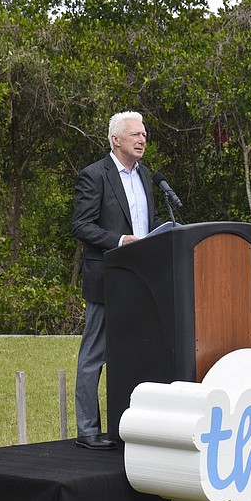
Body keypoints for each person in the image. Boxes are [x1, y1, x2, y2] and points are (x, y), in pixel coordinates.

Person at [70, 111, 162, 450]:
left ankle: (132, 426)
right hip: (107, 278)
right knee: (94, 355)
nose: (142, 140)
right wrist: (121, 241)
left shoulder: (146, 176)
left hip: (141, 280)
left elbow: (148, 224)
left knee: (139, 353)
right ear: (115, 139)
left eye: (144, 135)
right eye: (135, 134)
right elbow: (81, 226)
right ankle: (88, 430)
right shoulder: (95, 175)